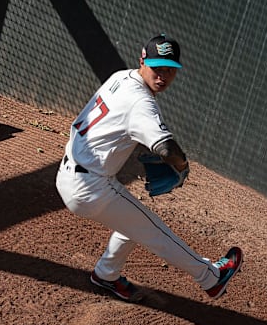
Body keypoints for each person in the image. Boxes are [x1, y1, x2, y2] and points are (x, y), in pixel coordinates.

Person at [55, 34, 242, 302]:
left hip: (69, 173)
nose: (163, 76)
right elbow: (167, 149)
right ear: (142, 60)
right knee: (155, 231)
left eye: (169, 70)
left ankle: (106, 274)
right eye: (157, 68)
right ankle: (212, 277)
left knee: (133, 221)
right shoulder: (142, 103)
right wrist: (182, 165)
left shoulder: (120, 77)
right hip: (92, 188)